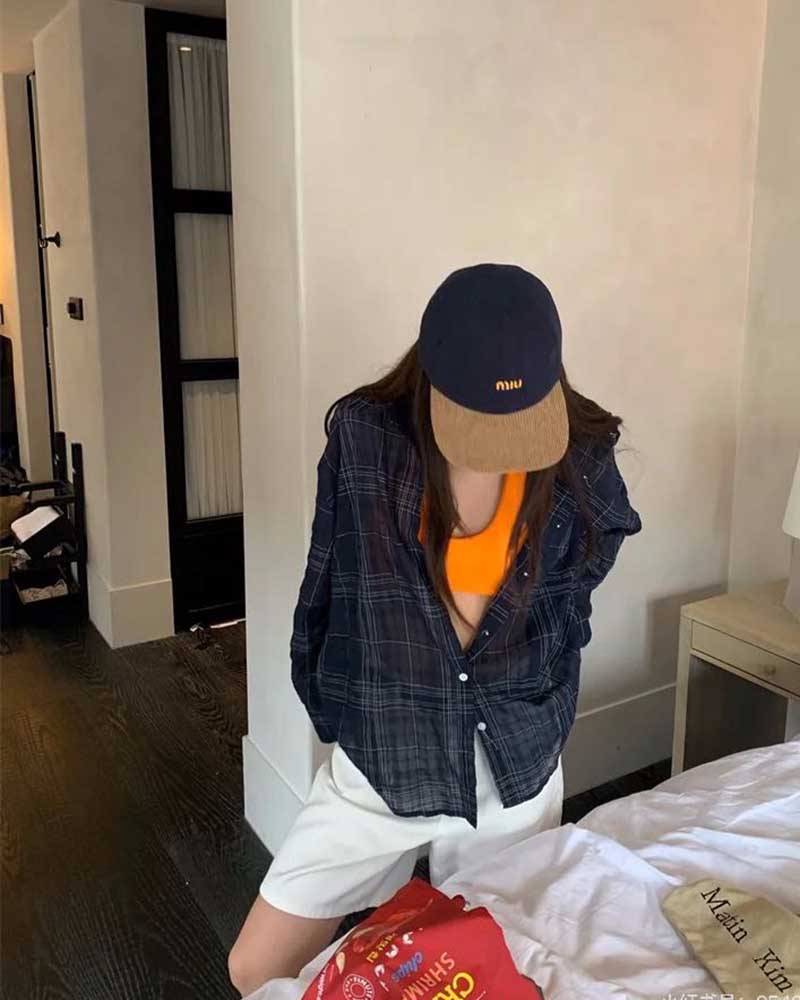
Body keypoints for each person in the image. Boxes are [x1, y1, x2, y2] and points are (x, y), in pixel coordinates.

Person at [228, 263, 642, 995]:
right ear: (431, 376)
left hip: (513, 768)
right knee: (255, 966)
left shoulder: (580, 455)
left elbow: (589, 564)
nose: (497, 449)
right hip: (389, 751)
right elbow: (327, 588)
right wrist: (339, 717)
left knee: (481, 969)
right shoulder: (367, 438)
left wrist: (549, 683)